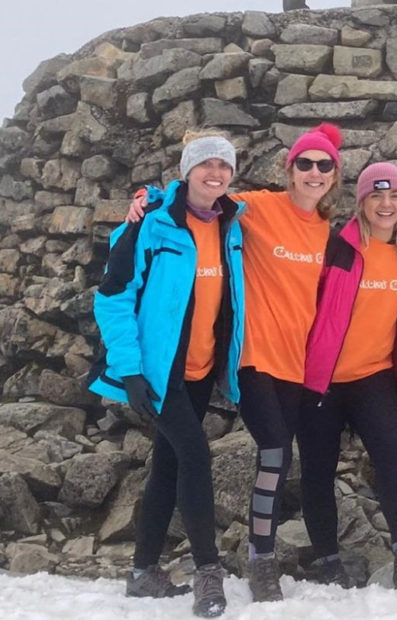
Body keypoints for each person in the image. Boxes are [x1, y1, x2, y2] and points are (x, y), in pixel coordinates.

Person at [127, 123, 343, 602]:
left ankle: (143, 568)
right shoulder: (255, 208)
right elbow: (198, 194)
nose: (313, 172)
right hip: (251, 358)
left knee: (169, 461)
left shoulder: (328, 231)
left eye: (323, 165)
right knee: (272, 452)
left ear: (334, 175)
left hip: (291, 364)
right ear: (288, 171)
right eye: (304, 163)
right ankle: (256, 561)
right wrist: (149, 196)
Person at [90, 131, 244, 617]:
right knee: (196, 456)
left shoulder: (232, 225)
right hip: (158, 376)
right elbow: (112, 297)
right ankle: (207, 573)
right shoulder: (148, 225)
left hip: (200, 371)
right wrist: (129, 371)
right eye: (206, 164)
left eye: (224, 166)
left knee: (169, 465)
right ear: (186, 171)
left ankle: (142, 573)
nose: (215, 174)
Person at [300, 162, 397, 591]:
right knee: (318, 470)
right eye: (376, 195)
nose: (386, 204)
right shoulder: (338, 247)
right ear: (362, 202)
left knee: (392, 460)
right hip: (323, 377)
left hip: (374, 375)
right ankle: (327, 560)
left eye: (394, 196)